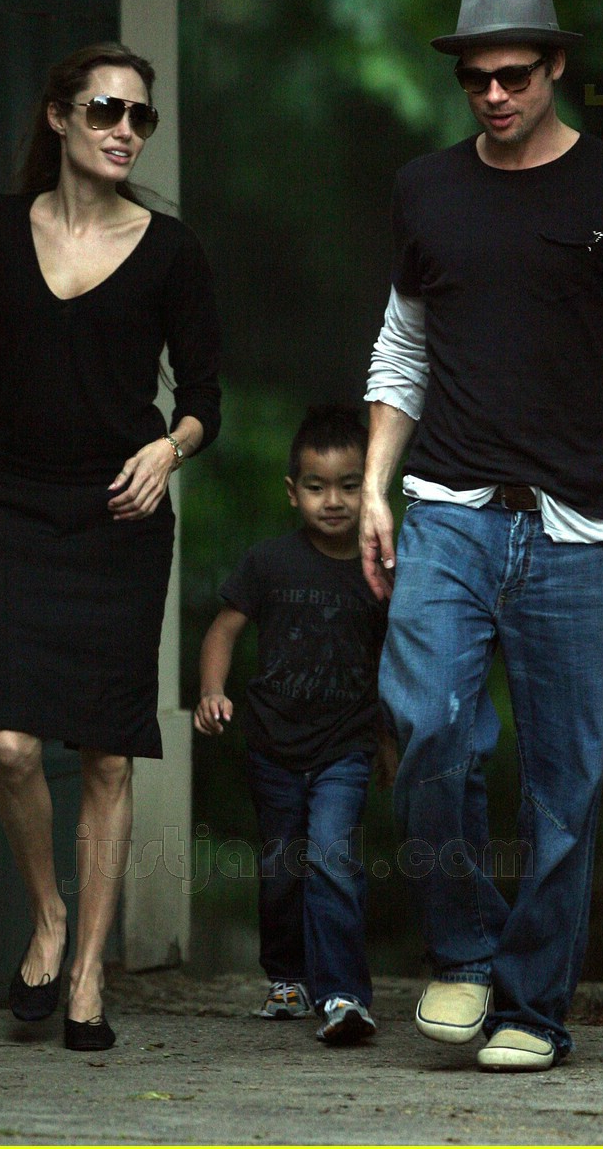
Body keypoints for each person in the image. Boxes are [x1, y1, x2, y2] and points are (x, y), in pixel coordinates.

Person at [360, 0, 603, 1072]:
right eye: (475, 80)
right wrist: (373, 485)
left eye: (513, 75)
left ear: (554, 65)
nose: (494, 95)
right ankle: (462, 950)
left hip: (583, 525)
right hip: (448, 509)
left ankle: (533, 1008)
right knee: (425, 721)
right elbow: (400, 350)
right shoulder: (425, 188)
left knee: (566, 778)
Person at [0, 43, 222, 1051]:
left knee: (105, 753)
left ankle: (87, 969)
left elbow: (204, 399)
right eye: (104, 111)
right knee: (10, 746)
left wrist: (167, 450)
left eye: (140, 116)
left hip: (119, 522)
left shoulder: (170, 251)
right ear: (58, 117)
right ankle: (47, 914)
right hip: (15, 510)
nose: (125, 130)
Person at [194, 404, 396, 1045]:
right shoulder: (269, 563)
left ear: (371, 486)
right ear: (292, 492)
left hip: (345, 746)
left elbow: (393, 659)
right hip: (273, 747)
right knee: (283, 869)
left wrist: (389, 741)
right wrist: (211, 691)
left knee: (332, 857)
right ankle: (288, 977)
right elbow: (223, 630)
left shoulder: (380, 568)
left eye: (349, 485)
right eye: (316, 486)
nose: (333, 501)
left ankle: (344, 994)